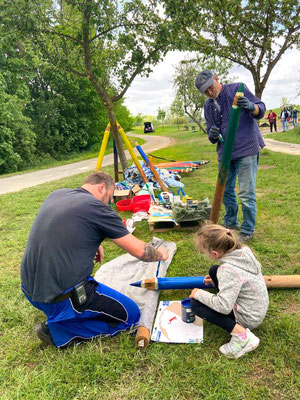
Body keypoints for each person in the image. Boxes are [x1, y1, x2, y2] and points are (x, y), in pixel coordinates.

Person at [20, 171, 168, 348]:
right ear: (102, 187)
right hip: (62, 298)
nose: (109, 203)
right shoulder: (98, 208)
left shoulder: (57, 194)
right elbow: (139, 251)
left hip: (30, 291)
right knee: (131, 315)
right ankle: (57, 331)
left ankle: (63, 316)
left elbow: (64, 228)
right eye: (110, 197)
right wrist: (162, 254)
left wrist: (94, 243)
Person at [195, 70, 266, 243]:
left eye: (211, 87)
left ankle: (248, 230)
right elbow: (212, 136)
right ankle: (231, 222)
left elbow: (261, 110)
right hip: (225, 153)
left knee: (245, 192)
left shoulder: (237, 89)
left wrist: (251, 106)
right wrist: (211, 134)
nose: (210, 92)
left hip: (246, 148)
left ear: (217, 79)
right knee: (225, 190)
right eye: (206, 91)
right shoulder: (208, 106)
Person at [189, 224, 269, 359]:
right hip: (256, 307)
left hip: (249, 317)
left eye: (204, 252)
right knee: (214, 270)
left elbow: (223, 307)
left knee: (196, 305)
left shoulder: (228, 271)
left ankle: (243, 337)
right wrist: (218, 279)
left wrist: (199, 293)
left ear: (214, 253)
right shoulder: (243, 251)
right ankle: (241, 333)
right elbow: (238, 278)